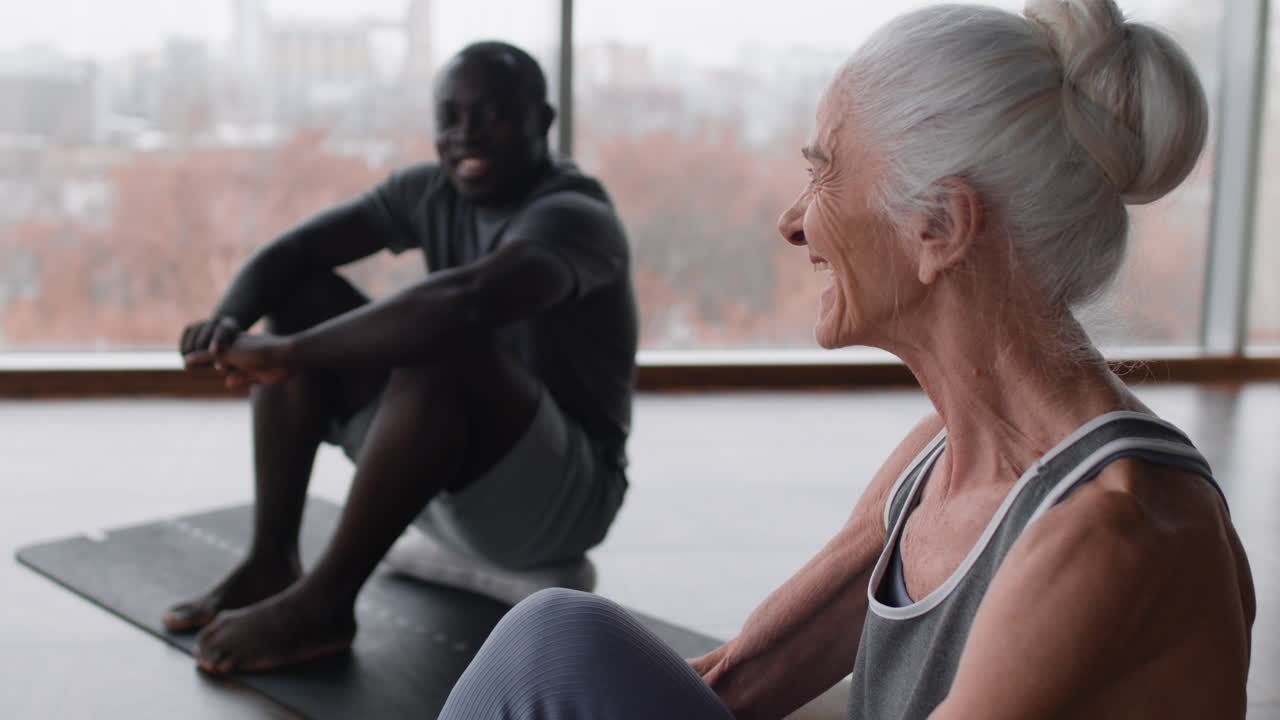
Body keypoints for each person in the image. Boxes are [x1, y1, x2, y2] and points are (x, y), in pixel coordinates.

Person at [433, 2, 1256, 718]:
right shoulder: (941, 457)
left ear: (940, 227)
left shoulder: (1113, 533)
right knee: (560, 643)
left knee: (555, 638)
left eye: (823, 173)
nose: (794, 222)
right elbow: (734, 686)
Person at [164, 41, 638, 675]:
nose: (466, 132)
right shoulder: (429, 190)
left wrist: (287, 353)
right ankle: (271, 559)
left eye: (492, 113)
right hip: (449, 484)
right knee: (301, 297)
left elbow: (466, 303)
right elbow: (296, 251)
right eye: (450, 115)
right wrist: (229, 322)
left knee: (445, 347)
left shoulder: (576, 216)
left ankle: (324, 605)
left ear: (543, 123)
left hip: (558, 506)